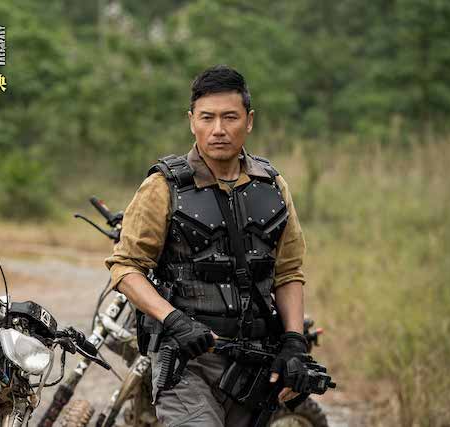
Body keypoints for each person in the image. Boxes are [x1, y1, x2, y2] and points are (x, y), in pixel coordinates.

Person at [105, 65, 308, 427]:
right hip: (188, 361)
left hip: (255, 364)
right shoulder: (163, 187)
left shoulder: (272, 186)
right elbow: (126, 267)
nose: (218, 129)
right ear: (191, 121)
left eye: (230, 117)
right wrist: (175, 321)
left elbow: (288, 271)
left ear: (249, 121)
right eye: (207, 117)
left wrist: (294, 340)